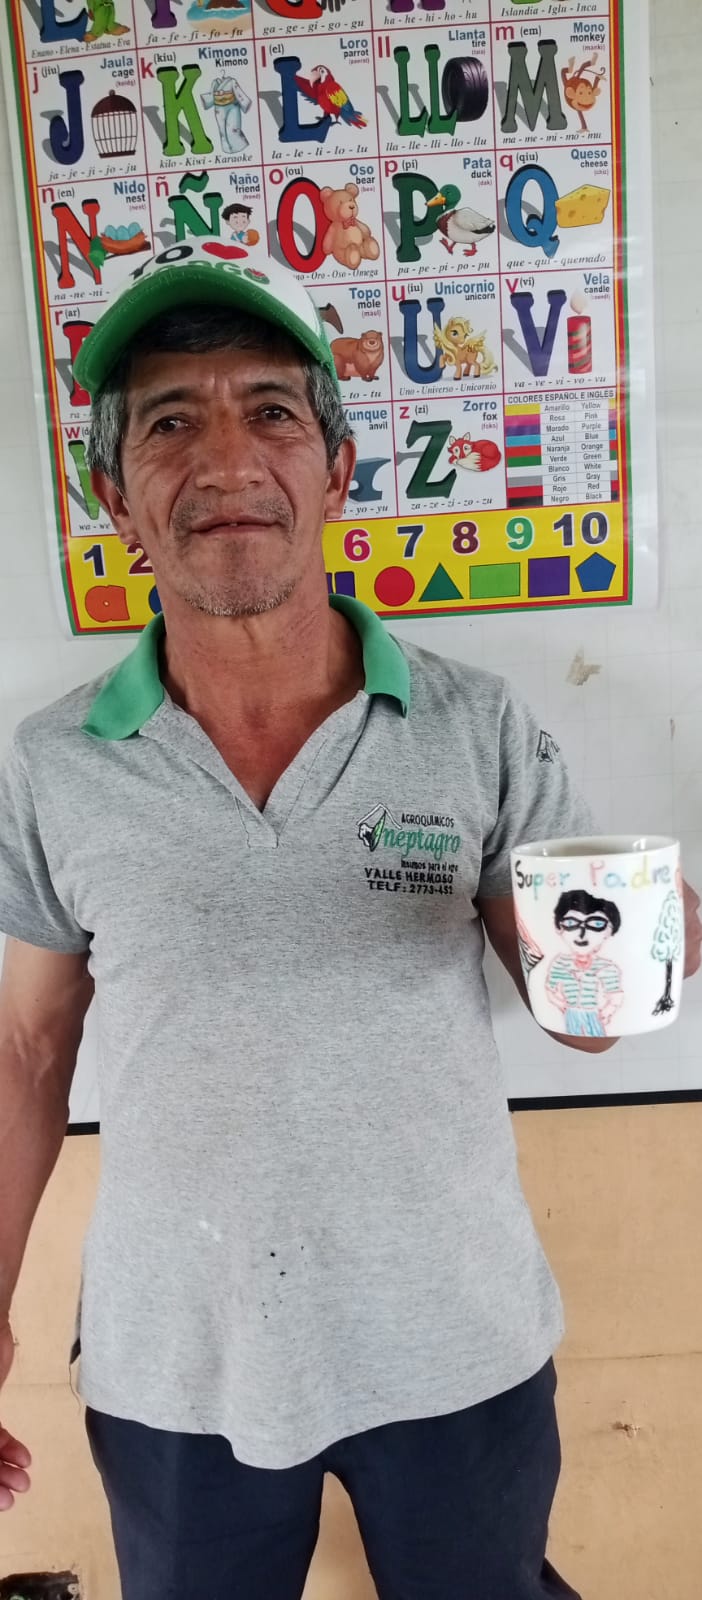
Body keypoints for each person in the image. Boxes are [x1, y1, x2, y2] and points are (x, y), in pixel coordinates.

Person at [0, 243, 699, 1599]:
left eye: (270, 410)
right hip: (176, 1358)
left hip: (457, 1339)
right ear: (114, 495)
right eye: (170, 422)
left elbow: (584, 1015)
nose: (226, 458)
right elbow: (27, 1051)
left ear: (337, 469)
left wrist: (638, 952)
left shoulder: (475, 725)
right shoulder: (53, 764)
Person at [547, 889, 624, 1038]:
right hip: (570, 1015)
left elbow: (615, 996)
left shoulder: (606, 968)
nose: (581, 934)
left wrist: (606, 1012)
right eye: (571, 923)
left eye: (596, 924)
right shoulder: (560, 964)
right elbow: (550, 989)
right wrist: (561, 1006)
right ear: (559, 927)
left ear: (609, 930)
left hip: (593, 1016)